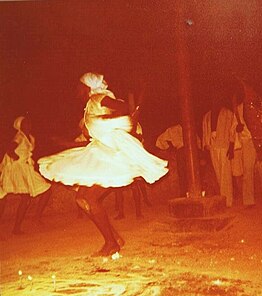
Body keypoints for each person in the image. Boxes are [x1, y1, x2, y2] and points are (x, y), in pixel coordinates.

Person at [38, 72, 168, 256]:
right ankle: (115, 239)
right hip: (100, 151)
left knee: (89, 199)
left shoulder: (99, 98)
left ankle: (111, 243)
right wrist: (67, 144)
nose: (77, 89)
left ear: (87, 86)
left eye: (79, 85)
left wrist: (109, 120)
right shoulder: (90, 105)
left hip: (111, 155)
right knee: (82, 199)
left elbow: (122, 107)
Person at [0, 116, 52, 234]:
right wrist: (17, 158)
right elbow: (10, 149)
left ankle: (35, 217)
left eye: (29, 122)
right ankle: (16, 228)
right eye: (25, 123)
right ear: (20, 126)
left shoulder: (31, 138)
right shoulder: (19, 136)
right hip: (18, 168)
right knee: (23, 197)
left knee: (46, 190)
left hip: (26, 168)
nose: (28, 125)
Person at [230, 78, 262, 209]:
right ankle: (249, 202)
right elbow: (233, 128)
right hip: (248, 142)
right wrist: (237, 129)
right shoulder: (239, 109)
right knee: (248, 172)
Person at [202, 95, 236, 208]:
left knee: (225, 173)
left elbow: (232, 130)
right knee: (218, 173)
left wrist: (231, 146)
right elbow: (205, 133)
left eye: (216, 99)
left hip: (224, 145)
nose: (214, 101)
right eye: (212, 100)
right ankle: (223, 198)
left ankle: (228, 201)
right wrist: (206, 148)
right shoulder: (207, 116)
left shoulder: (228, 114)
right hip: (212, 147)